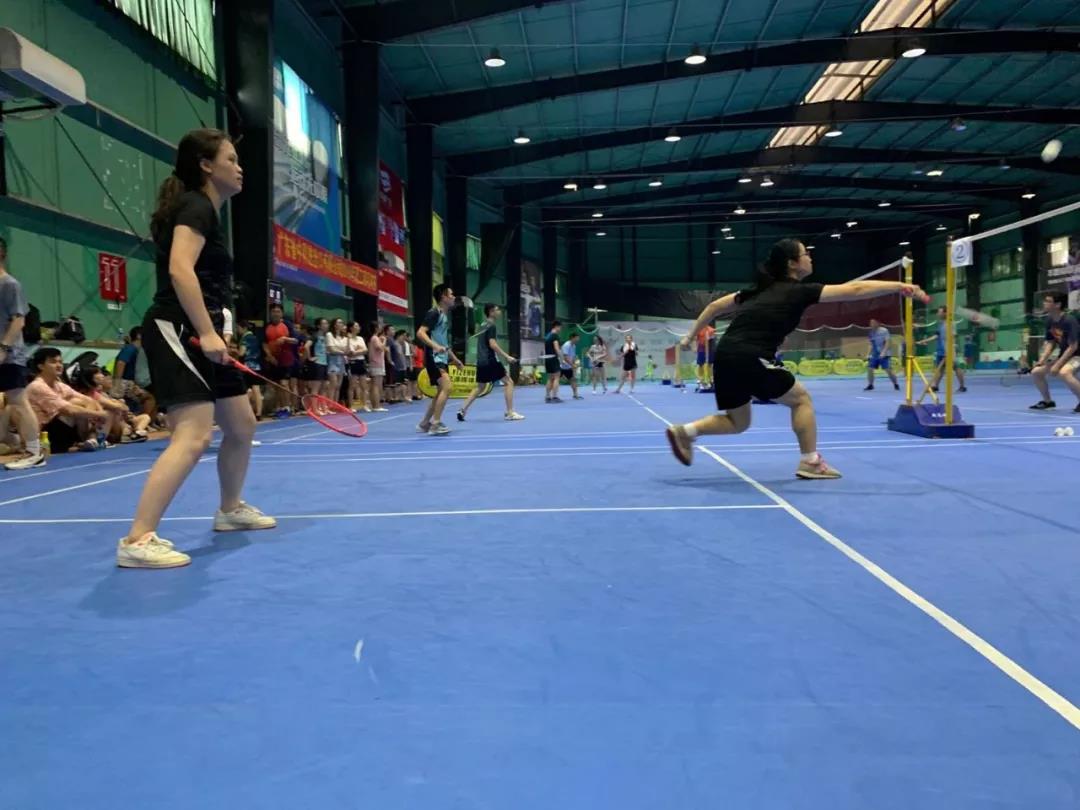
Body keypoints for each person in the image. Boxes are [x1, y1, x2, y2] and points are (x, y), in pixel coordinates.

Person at [119, 128, 275, 569]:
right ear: (206, 165)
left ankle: (230, 509)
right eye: (231, 159)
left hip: (204, 329)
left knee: (241, 424)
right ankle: (137, 539)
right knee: (193, 434)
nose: (240, 168)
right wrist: (207, 333)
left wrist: (217, 332)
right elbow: (180, 271)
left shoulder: (206, 210)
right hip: (177, 327)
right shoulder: (196, 205)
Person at [664, 238, 927, 480]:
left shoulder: (756, 291)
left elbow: (713, 307)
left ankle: (684, 432)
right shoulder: (800, 291)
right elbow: (856, 289)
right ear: (792, 264)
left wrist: (690, 336)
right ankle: (810, 462)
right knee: (800, 400)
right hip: (750, 354)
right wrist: (899, 286)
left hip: (725, 356)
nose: (810, 257)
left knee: (738, 422)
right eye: (805, 254)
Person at [0, 237, 46, 470]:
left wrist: (3, 348)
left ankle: (34, 452)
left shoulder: (10, 284)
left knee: (18, 401)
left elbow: (18, 320)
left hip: (9, 355)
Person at [26, 348, 111, 453]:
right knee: (75, 404)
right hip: (42, 435)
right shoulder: (38, 386)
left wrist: (99, 414)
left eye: (60, 362)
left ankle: (90, 440)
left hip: (58, 429)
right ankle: (84, 441)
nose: (59, 365)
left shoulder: (59, 385)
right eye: (53, 362)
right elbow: (69, 410)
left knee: (85, 404)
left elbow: (89, 400)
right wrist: (100, 414)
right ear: (41, 366)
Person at [457, 303, 524, 422]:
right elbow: (492, 344)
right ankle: (510, 412)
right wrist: (507, 356)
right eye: (497, 310)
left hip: (481, 361)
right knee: (509, 382)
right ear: (491, 312)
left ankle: (462, 410)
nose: (499, 312)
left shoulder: (483, 325)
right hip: (490, 360)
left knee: (480, 387)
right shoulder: (491, 326)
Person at [416, 283, 464, 435]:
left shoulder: (443, 316)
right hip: (434, 357)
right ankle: (435, 424)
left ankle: (425, 423)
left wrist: (455, 359)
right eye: (451, 294)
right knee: (447, 387)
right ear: (443, 297)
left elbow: (444, 343)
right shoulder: (434, 313)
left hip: (441, 358)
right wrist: (435, 346)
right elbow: (420, 333)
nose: (453, 297)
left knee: (440, 392)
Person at [1029, 291, 1080, 412]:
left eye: (1048, 301)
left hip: (1077, 355)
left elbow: (1073, 346)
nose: (1044, 303)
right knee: (1036, 372)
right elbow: (1051, 342)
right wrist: (1042, 360)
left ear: (1057, 305)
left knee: (1064, 372)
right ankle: (1048, 402)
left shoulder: (1069, 321)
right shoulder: (1049, 320)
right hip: (1065, 355)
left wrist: (1057, 365)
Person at [918, 306, 967, 393]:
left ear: (945, 313)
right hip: (940, 350)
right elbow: (936, 335)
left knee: (955, 367)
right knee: (940, 369)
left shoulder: (951, 324)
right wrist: (925, 341)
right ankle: (935, 386)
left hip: (948, 350)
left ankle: (962, 386)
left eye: (939, 312)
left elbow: (953, 336)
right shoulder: (941, 323)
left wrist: (951, 349)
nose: (938, 314)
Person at [263, 303, 299, 415]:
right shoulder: (266, 326)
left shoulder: (287, 325)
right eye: (273, 311)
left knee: (284, 383)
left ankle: (287, 407)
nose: (276, 314)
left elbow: (296, 340)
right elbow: (264, 343)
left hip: (286, 358)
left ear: (282, 313)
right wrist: (270, 356)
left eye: (278, 311)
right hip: (273, 359)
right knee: (277, 385)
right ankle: (280, 407)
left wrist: (284, 338)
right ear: (270, 313)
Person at [865, 318, 900, 391]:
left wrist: (883, 352)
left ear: (878, 323)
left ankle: (895, 384)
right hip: (875, 354)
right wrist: (868, 354)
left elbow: (887, 342)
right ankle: (870, 385)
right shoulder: (871, 333)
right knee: (870, 369)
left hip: (885, 354)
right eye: (870, 323)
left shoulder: (884, 331)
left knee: (888, 370)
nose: (871, 324)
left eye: (873, 322)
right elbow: (870, 344)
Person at [345, 321, 369, 411]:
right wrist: (359, 350)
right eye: (356, 326)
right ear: (351, 328)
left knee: (364, 385)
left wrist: (357, 351)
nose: (359, 327)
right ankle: (352, 406)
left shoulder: (360, 338)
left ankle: (364, 404)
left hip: (361, 361)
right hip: (352, 362)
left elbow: (365, 350)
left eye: (358, 326)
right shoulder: (348, 338)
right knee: (352, 385)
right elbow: (350, 353)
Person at [325, 318, 349, 406]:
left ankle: (335, 405)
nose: (342, 324)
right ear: (334, 325)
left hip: (341, 361)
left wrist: (339, 350)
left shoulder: (344, 337)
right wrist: (342, 351)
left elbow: (347, 350)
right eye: (339, 322)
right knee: (333, 384)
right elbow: (331, 349)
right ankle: (329, 405)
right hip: (332, 360)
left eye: (342, 322)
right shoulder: (329, 334)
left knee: (338, 386)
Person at [366, 321, 388, 412]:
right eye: (379, 327)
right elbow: (381, 348)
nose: (381, 328)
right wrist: (384, 340)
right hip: (376, 363)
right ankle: (376, 406)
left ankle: (374, 405)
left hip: (377, 363)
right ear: (376, 328)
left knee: (375, 385)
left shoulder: (375, 338)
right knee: (376, 385)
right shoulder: (375, 338)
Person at [543, 320, 564, 403]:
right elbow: (556, 348)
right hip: (553, 358)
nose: (560, 329)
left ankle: (547, 396)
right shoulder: (555, 336)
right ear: (556, 326)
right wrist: (561, 358)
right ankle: (555, 397)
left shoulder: (547, 336)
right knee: (556, 377)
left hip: (547, 359)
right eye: (560, 327)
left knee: (550, 378)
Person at [560, 332, 584, 400]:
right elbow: (565, 357)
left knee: (573, 380)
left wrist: (574, 364)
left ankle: (575, 395)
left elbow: (573, 357)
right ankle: (549, 396)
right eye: (577, 338)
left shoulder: (574, 346)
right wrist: (572, 365)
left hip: (569, 367)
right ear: (572, 338)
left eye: (578, 338)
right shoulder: (566, 345)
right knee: (554, 380)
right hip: (561, 366)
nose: (578, 339)